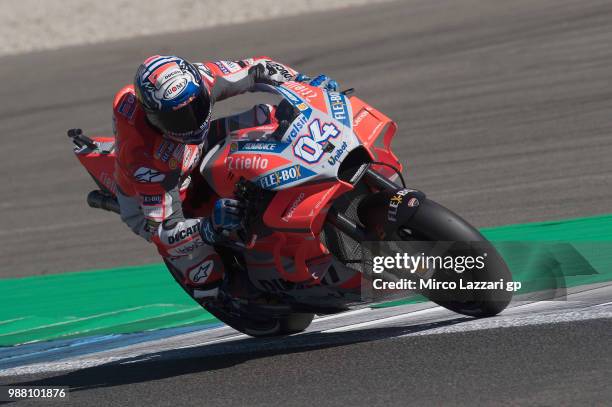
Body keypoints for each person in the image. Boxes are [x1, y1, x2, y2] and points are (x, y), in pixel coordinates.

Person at [112, 55, 338, 302]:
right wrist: (207, 227)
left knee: (268, 115)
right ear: (152, 117)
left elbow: (259, 68)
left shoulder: (202, 78)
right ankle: (224, 298)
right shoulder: (143, 157)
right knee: (203, 270)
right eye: (177, 118)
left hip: (191, 150)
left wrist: (304, 85)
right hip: (159, 189)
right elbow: (163, 233)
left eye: (195, 107)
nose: (190, 122)